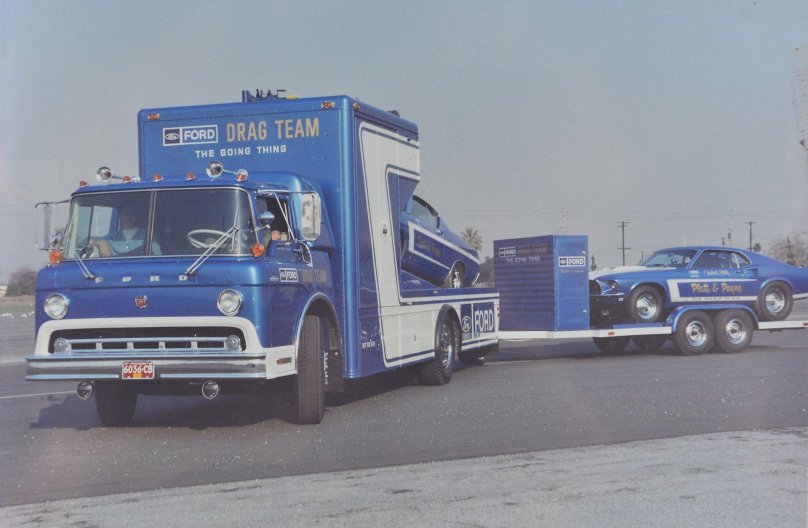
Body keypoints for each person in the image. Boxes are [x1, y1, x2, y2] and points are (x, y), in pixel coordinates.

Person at [88, 205, 161, 257]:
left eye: (132, 214)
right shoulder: (112, 238)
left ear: (136, 217)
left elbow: (158, 257)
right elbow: (84, 241)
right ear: (120, 216)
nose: (128, 217)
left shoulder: (148, 236)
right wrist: (100, 243)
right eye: (126, 213)